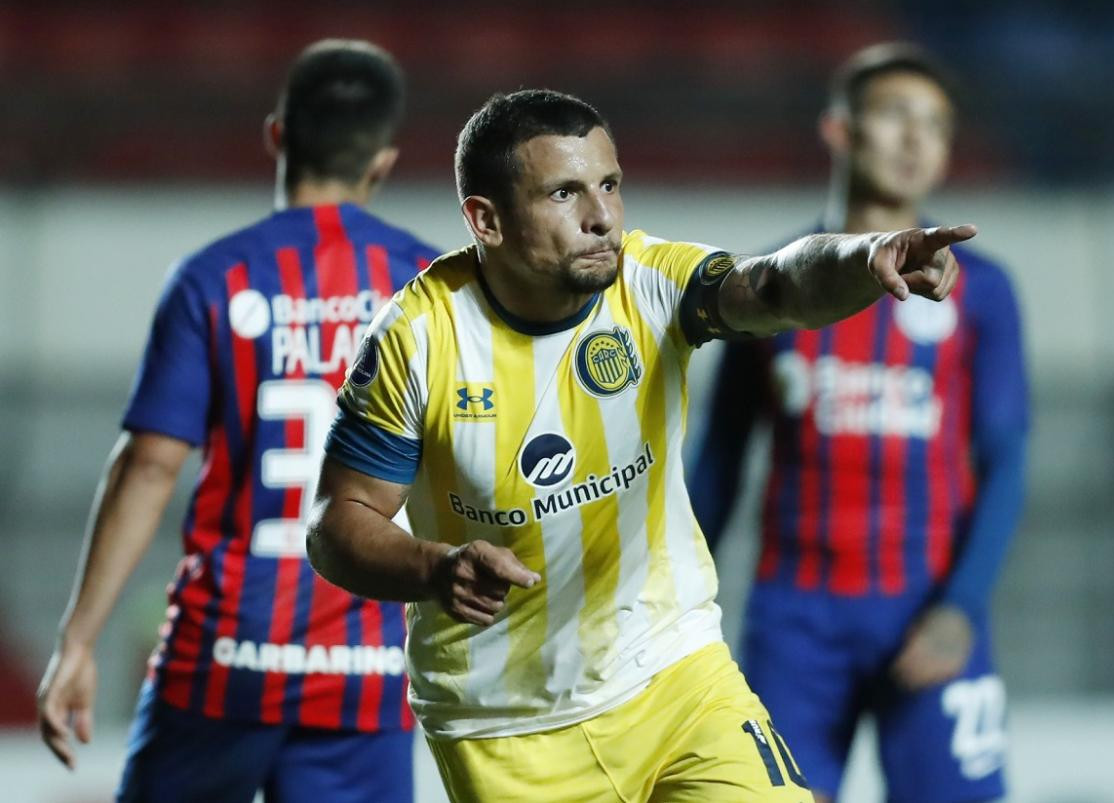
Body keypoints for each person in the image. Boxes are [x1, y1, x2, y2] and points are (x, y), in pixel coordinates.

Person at [305, 87, 975, 803]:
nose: (602, 217)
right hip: (505, 728)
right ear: (485, 219)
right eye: (565, 192)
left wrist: (862, 256)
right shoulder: (419, 336)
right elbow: (336, 524)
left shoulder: (650, 281)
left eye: (610, 185)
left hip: (675, 674)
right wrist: (433, 567)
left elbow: (773, 283)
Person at [35, 39, 439, 803]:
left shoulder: (214, 277)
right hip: (366, 666)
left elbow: (149, 466)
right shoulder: (427, 285)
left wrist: (78, 639)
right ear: (382, 162)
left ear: (277, 134)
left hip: (223, 653)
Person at [688, 43, 1029, 803]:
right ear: (839, 130)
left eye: (935, 125)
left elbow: (1006, 457)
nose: (916, 141)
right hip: (793, 627)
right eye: (896, 116)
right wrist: (668, 600)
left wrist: (960, 609)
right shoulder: (765, 285)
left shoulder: (984, 292)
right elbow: (718, 462)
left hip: (927, 612)